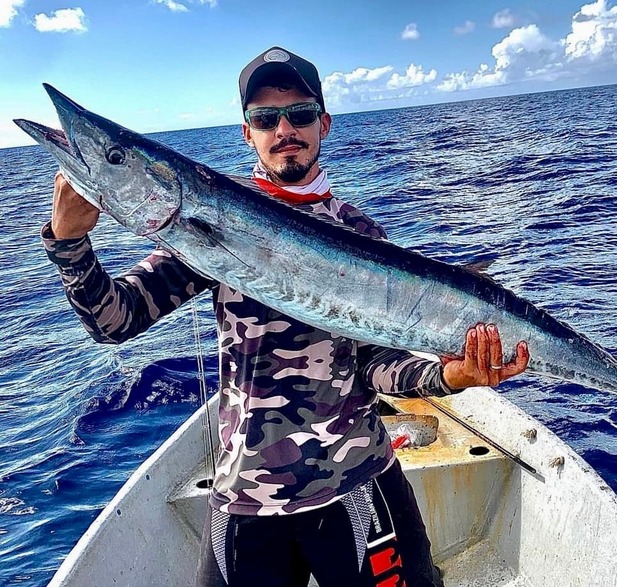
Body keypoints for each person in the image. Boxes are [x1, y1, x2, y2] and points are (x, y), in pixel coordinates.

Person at [42, 46, 530, 587]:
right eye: (265, 118)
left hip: (357, 484)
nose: (284, 129)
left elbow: (377, 364)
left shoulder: (358, 231)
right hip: (247, 498)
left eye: (299, 114)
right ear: (247, 133)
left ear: (323, 123)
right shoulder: (204, 216)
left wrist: (450, 376)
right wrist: (69, 242)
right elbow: (115, 321)